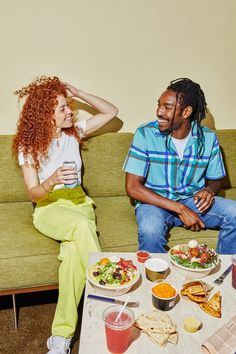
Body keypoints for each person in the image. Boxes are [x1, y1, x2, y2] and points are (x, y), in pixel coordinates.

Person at [12, 76, 118, 354]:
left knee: (73, 258)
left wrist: (80, 91)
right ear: (46, 115)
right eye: (62, 108)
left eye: (68, 105)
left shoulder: (75, 133)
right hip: (49, 207)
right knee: (83, 227)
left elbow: (111, 112)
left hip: (79, 203)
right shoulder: (29, 146)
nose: (70, 111)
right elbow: (33, 193)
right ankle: (110, 298)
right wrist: (51, 181)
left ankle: (60, 338)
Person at [123, 78, 236, 255]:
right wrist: (180, 209)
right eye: (159, 105)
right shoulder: (145, 134)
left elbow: (216, 181)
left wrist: (209, 190)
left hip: (192, 200)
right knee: (150, 231)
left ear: (186, 112)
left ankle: (225, 275)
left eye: (167, 107)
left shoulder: (208, 139)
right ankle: (157, 283)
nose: (159, 112)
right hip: (154, 203)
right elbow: (132, 187)